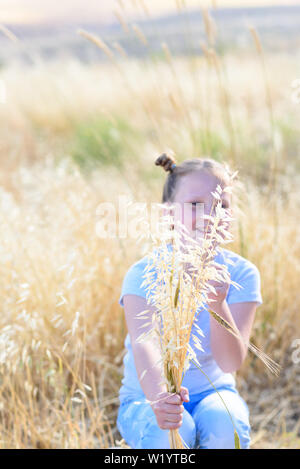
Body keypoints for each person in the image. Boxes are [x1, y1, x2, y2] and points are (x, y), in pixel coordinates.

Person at [117, 154, 263, 449]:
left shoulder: (241, 274)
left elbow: (230, 361)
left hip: (214, 393)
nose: (211, 214)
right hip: (147, 398)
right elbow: (144, 343)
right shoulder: (143, 274)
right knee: (173, 433)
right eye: (195, 204)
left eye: (222, 205)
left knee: (227, 425)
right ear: (169, 214)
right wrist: (161, 399)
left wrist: (217, 303)